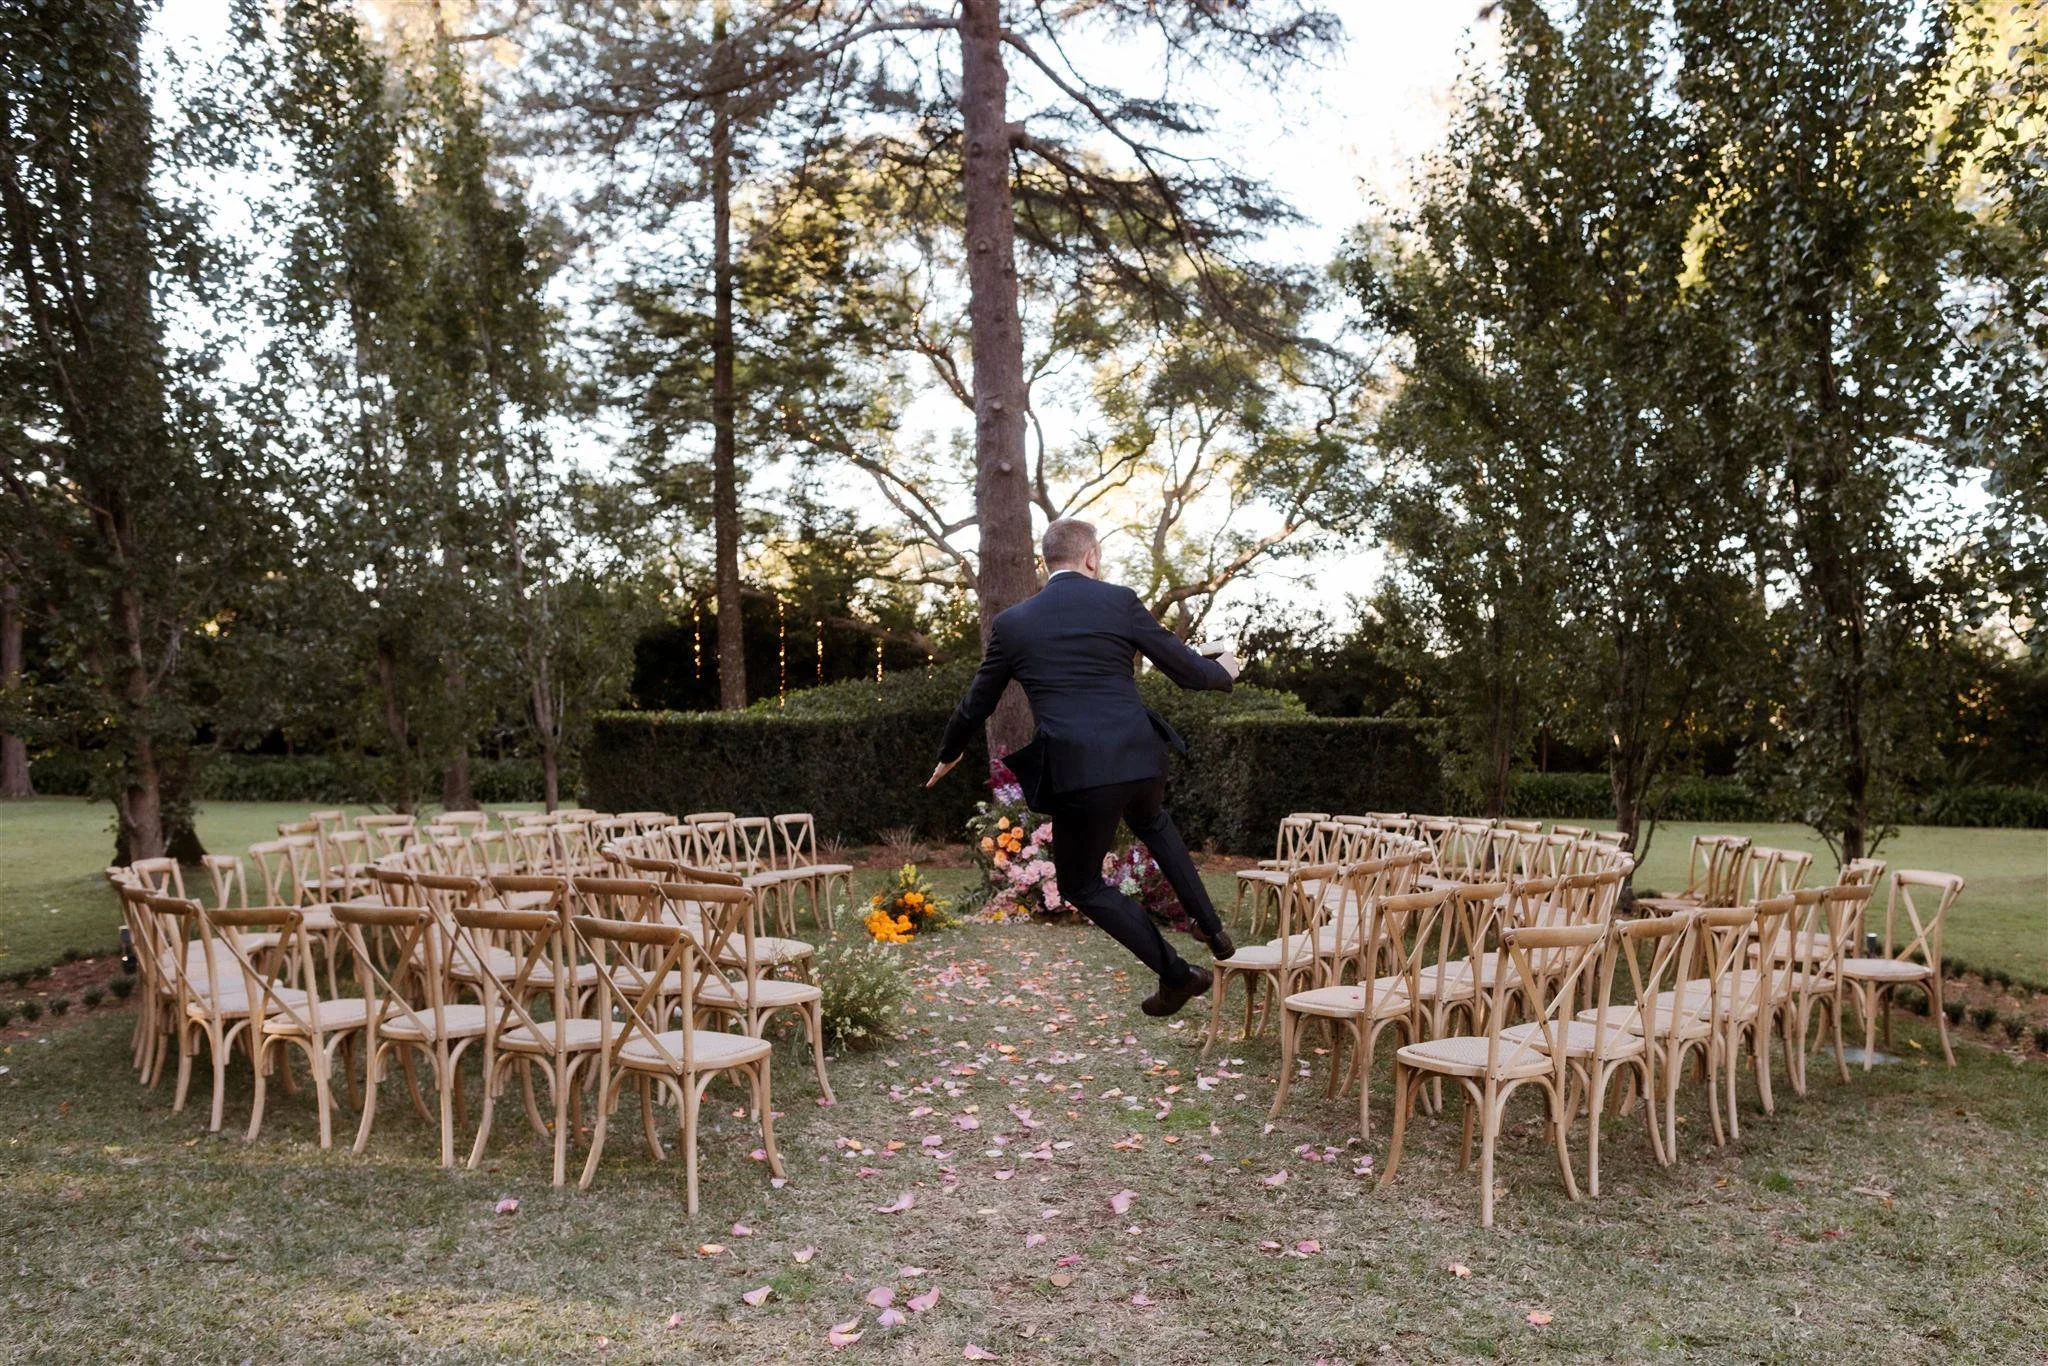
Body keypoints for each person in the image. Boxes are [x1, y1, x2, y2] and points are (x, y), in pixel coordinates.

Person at [927, 517, 1242, 1017]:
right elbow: (1185, 669)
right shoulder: (1119, 600)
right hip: (1142, 755)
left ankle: (1179, 976)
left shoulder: (1013, 623)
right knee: (1152, 820)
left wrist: (949, 752)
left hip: (1080, 771)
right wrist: (1223, 672)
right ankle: (1211, 927)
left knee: (1081, 883)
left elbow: (975, 704)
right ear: (1091, 556)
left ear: (1047, 561)